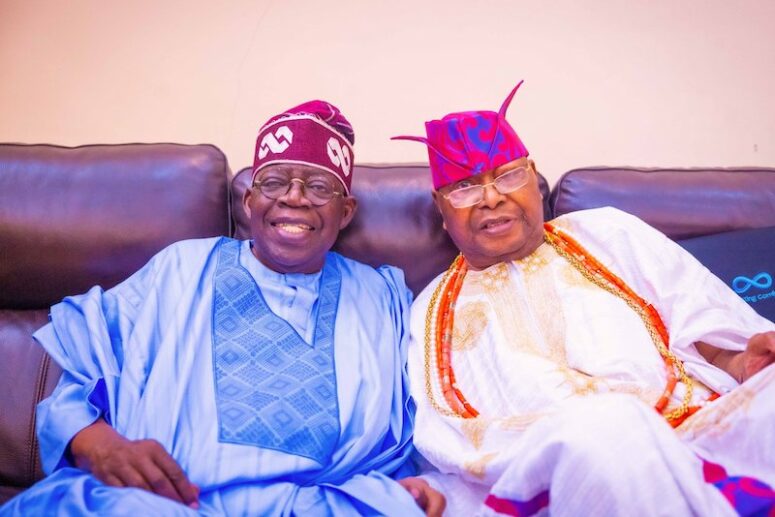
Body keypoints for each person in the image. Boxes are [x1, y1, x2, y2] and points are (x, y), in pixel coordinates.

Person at [1, 101, 443, 516]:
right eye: (273, 182)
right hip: (166, 505)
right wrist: (97, 444)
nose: (294, 197)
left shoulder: (381, 296)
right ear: (249, 202)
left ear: (345, 211)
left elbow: (417, 419)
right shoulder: (180, 269)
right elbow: (79, 373)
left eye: (319, 187)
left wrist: (407, 485)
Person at [393, 82, 775, 516]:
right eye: (465, 188)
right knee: (606, 424)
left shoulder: (610, 233)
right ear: (441, 210)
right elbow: (449, 444)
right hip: (562, 472)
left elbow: (710, 338)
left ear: (535, 182)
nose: (492, 197)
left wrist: (748, 362)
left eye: (508, 175)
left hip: (698, 435)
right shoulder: (429, 311)